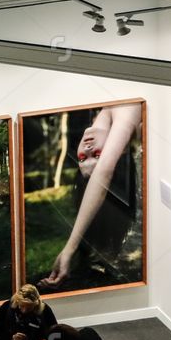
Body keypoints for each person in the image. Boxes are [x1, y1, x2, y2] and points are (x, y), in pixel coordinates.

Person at [37, 103, 143, 290]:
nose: (86, 149)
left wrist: (70, 249)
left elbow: (103, 172)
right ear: (121, 152)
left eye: (82, 159)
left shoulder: (105, 112)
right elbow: (104, 172)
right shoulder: (126, 113)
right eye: (97, 155)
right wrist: (70, 249)